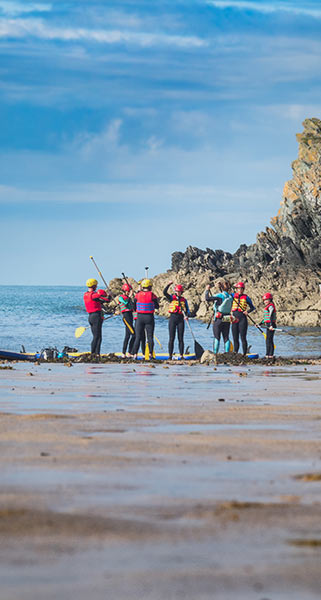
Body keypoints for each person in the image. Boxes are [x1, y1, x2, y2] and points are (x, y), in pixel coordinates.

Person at [132, 279, 159, 359]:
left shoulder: (137, 295)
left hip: (140, 317)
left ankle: (135, 354)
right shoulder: (152, 295)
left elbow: (134, 306)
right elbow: (157, 306)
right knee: (150, 337)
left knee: (138, 337)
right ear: (150, 287)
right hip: (149, 317)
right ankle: (150, 354)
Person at [83, 278, 111, 356]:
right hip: (96, 316)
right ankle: (95, 353)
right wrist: (109, 295)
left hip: (90, 317)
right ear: (94, 286)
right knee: (98, 336)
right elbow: (106, 300)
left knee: (95, 336)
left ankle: (94, 353)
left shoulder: (85, 294)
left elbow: (99, 301)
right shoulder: (94, 295)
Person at [205, 279, 233, 354]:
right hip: (227, 318)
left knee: (217, 337)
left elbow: (207, 298)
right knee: (226, 337)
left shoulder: (219, 296)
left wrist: (207, 290)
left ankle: (215, 354)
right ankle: (227, 354)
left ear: (221, 287)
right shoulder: (231, 297)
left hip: (219, 319)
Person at [163, 281, 189, 359]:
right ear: (175, 291)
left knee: (180, 338)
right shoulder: (172, 298)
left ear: (182, 292)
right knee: (171, 338)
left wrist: (187, 316)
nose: (178, 293)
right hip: (173, 318)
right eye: (177, 292)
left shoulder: (184, 300)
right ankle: (170, 356)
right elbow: (164, 292)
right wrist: (168, 284)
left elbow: (187, 310)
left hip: (181, 319)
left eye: (180, 292)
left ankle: (181, 355)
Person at [231, 281, 255, 355]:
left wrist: (247, 311)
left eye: (241, 289)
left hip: (242, 318)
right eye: (238, 289)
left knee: (243, 337)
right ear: (236, 289)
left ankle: (244, 353)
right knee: (235, 337)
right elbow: (226, 293)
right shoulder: (232, 295)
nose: (239, 290)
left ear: (243, 289)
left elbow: (252, 307)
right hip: (234, 318)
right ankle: (235, 352)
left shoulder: (246, 297)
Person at [117, 283, 135, 357]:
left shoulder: (129, 298)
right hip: (126, 316)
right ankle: (129, 352)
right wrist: (130, 296)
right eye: (127, 291)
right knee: (134, 334)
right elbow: (125, 303)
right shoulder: (121, 297)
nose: (128, 293)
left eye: (129, 291)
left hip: (130, 316)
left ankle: (124, 353)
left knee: (127, 335)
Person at [259, 292, 277, 358]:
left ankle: (270, 355)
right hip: (268, 324)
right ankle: (268, 354)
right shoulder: (267, 307)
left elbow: (271, 315)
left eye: (267, 300)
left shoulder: (271, 306)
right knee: (268, 340)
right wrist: (260, 324)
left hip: (271, 324)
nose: (265, 301)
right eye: (264, 300)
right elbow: (265, 318)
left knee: (269, 340)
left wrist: (271, 325)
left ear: (270, 300)